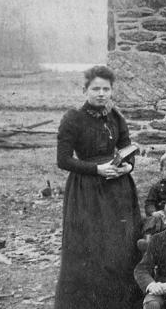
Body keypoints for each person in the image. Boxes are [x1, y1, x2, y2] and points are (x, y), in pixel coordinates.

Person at [55, 65, 142, 309]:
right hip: (87, 191)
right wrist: (97, 170)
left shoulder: (116, 116)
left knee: (120, 244)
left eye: (106, 89)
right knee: (91, 245)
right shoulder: (73, 118)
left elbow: (127, 147)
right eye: (96, 89)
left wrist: (128, 167)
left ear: (112, 91)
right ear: (85, 90)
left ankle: (118, 301)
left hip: (118, 188)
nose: (101, 94)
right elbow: (63, 160)